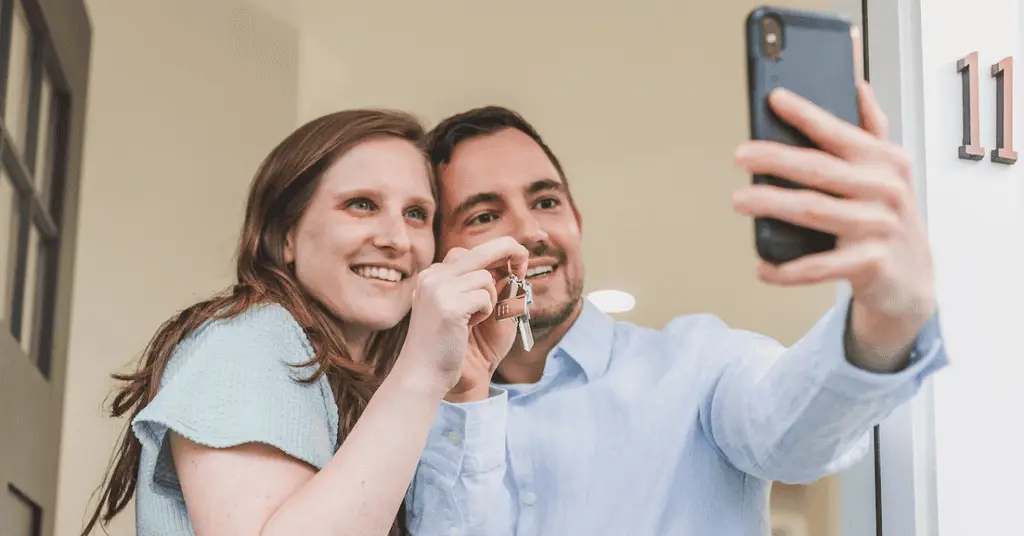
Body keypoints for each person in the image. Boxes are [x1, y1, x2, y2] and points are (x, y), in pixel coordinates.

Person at [403, 83, 948, 535]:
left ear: (578, 221)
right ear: (438, 254)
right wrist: (461, 394)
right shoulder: (403, 417)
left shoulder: (702, 365)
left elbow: (794, 433)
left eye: (546, 201)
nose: (531, 232)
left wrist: (885, 317)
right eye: (483, 216)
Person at [81, 109, 530, 536]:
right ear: (286, 235)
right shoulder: (248, 339)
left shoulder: (374, 391)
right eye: (361, 204)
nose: (396, 239)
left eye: (416, 214)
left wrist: (467, 383)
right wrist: (423, 372)